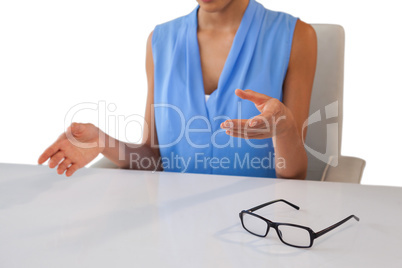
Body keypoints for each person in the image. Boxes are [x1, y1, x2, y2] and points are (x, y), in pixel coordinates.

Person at [38, 0, 317, 180]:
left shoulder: (296, 36)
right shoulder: (160, 41)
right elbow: (153, 159)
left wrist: (284, 128)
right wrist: (102, 141)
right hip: (177, 224)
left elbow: (295, 174)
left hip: (259, 221)